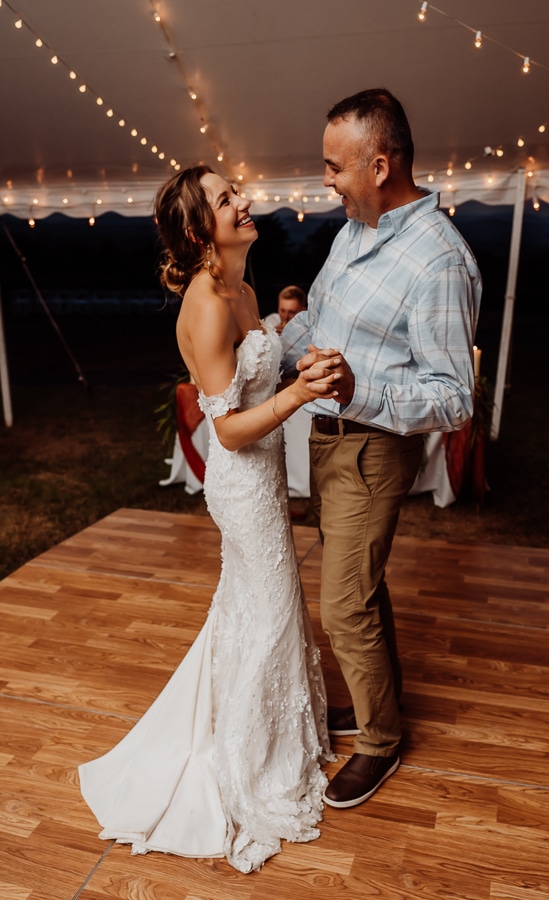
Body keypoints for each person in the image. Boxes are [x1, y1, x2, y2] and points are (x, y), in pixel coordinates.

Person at [78, 165, 342, 873]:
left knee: (261, 606)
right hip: (241, 479)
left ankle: (270, 735)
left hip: (261, 474)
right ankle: (248, 762)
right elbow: (225, 431)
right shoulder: (205, 302)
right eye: (227, 199)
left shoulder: (246, 289)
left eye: (237, 191)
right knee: (269, 608)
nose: (244, 201)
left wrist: (296, 373)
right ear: (200, 231)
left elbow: (254, 385)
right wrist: (294, 400)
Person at [281, 88, 482, 809]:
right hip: (330, 442)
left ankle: (379, 743)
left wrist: (359, 389)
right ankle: (379, 706)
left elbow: (454, 397)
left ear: (379, 161)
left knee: (339, 607)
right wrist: (273, 335)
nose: (326, 181)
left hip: (372, 450)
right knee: (357, 591)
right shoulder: (353, 232)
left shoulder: (439, 261)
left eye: (335, 167)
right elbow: (323, 329)